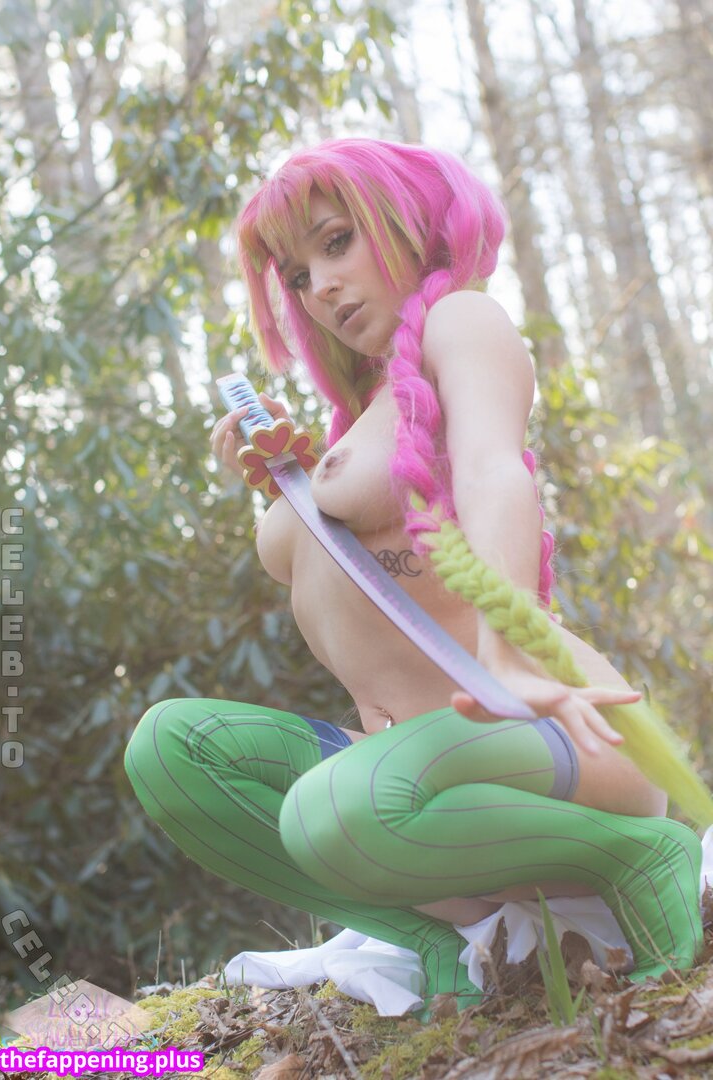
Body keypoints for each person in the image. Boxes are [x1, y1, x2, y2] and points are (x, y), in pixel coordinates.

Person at [124, 138, 703, 1019]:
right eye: (296, 273)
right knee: (170, 748)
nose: (321, 287)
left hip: (542, 729)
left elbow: (493, 470)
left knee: (329, 811)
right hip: (409, 780)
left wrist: (503, 650)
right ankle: (434, 942)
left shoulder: (460, 321)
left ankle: (635, 857)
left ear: (405, 223)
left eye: (336, 242)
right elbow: (353, 574)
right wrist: (281, 483)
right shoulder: (363, 417)